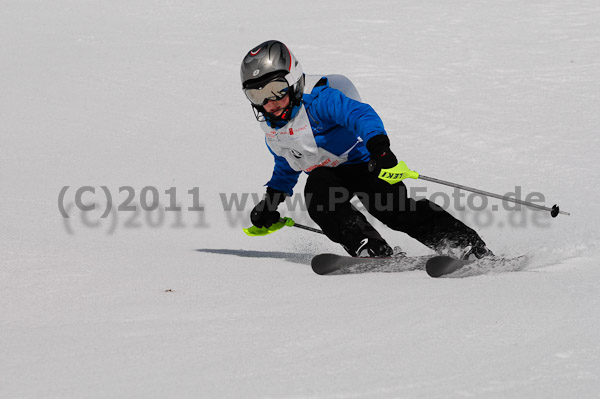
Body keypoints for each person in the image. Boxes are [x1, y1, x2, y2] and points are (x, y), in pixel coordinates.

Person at [241, 40, 492, 259]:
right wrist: (270, 203)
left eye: (275, 90)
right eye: (257, 95)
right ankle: (370, 247)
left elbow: (360, 115)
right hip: (328, 176)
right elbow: (287, 165)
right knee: (318, 197)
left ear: (294, 82)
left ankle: (465, 245)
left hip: (365, 165)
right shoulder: (274, 129)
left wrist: (379, 146)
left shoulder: (320, 101)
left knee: (391, 209)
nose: (268, 103)